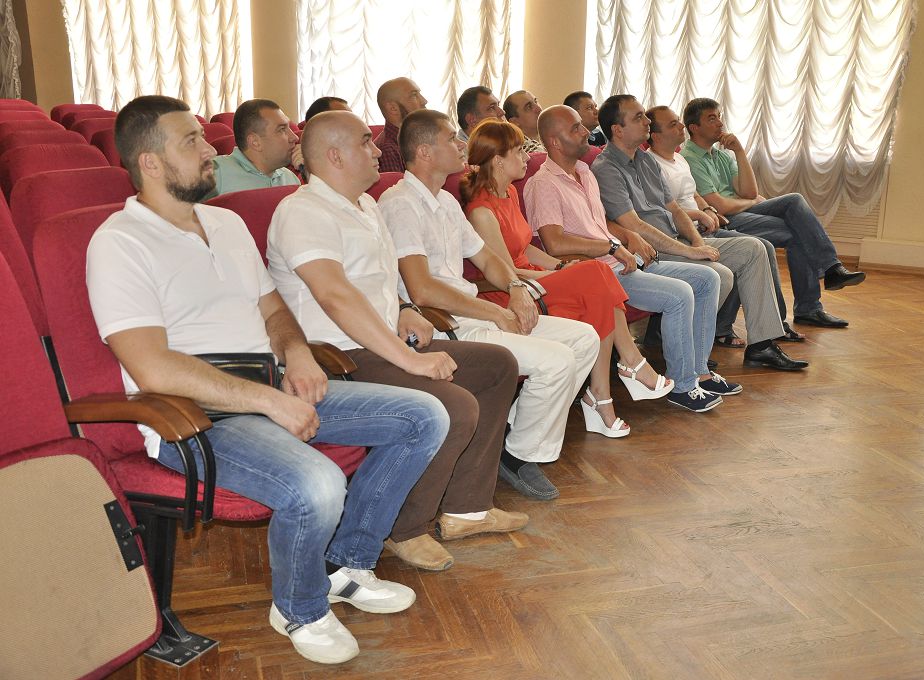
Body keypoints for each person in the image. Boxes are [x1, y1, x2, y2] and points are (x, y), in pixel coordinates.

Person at [89, 95, 450, 665]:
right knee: (317, 482)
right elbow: (152, 366)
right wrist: (268, 401)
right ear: (150, 162)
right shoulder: (119, 243)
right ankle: (299, 608)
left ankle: (347, 565)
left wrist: (297, 353)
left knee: (423, 416)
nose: (210, 150)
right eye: (191, 141)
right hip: (194, 418)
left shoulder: (225, 222)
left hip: (268, 386)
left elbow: (274, 309)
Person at [266, 110, 527, 572]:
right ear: (334, 156)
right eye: (365, 142)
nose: (377, 150)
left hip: (379, 342)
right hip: (336, 358)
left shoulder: (365, 206)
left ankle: (466, 508)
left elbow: (376, 282)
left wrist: (404, 308)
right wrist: (410, 359)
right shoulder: (302, 211)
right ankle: (404, 528)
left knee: (497, 365)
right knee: (454, 404)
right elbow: (335, 296)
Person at [378, 108, 601, 501]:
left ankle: (511, 439)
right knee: (557, 361)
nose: (461, 144)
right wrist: (496, 311)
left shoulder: (445, 202)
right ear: (425, 152)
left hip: (471, 312)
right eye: (451, 138)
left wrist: (515, 287)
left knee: (584, 339)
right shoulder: (400, 204)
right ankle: (518, 454)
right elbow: (421, 290)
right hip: (441, 323)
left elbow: (487, 258)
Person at [463, 120, 674, 438]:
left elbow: (526, 248)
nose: (527, 157)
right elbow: (506, 272)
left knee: (597, 280)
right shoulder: (481, 211)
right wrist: (557, 274)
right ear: (498, 160)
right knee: (596, 274)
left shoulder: (508, 193)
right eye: (519, 151)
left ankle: (603, 395)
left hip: (536, 278)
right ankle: (623, 371)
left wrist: (561, 267)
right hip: (511, 291)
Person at [526, 105, 739, 412]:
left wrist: (626, 235)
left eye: (581, 125)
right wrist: (611, 247)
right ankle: (682, 386)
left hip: (622, 261)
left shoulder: (584, 172)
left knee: (708, 277)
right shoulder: (544, 183)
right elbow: (554, 242)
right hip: (598, 273)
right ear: (555, 142)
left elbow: (598, 222)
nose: (586, 132)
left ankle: (699, 372)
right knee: (680, 294)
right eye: (575, 128)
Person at [590, 95, 807, 372]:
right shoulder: (606, 168)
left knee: (753, 249)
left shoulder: (645, 160)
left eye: (645, 115)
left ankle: (761, 345)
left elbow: (675, 209)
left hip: (677, 240)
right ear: (617, 130)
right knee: (720, 274)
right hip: (651, 250)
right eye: (638, 117)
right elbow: (633, 225)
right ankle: (688, 355)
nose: (646, 121)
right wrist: (690, 251)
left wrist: (696, 241)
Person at [681, 97, 865, 328]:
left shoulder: (721, 155)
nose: (720, 123)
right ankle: (811, 302)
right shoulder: (690, 158)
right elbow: (722, 207)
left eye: (719, 117)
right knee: (799, 231)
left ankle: (828, 274)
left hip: (740, 208)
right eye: (711, 118)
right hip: (723, 219)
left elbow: (749, 191)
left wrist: (739, 151)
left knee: (795, 202)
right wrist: (750, 201)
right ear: (694, 127)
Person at [646, 104, 807, 347]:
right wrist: (699, 219)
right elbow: (662, 212)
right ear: (656, 136)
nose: (681, 126)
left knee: (760, 246)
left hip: (702, 228)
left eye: (678, 120)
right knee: (752, 251)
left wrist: (707, 210)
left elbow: (693, 194)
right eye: (673, 124)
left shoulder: (678, 159)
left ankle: (763, 342)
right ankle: (719, 333)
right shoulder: (651, 163)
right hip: (679, 235)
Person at [206, 98, 301, 198]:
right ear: (255, 142)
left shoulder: (290, 178)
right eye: (282, 129)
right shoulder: (215, 173)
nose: (295, 137)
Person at [374, 77, 428, 172]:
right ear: (393, 108)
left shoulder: (416, 139)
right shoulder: (387, 150)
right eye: (414, 95)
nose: (424, 101)